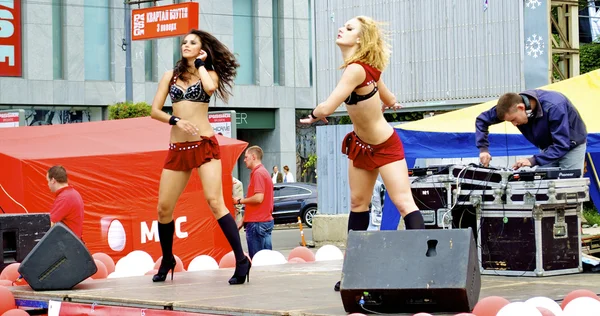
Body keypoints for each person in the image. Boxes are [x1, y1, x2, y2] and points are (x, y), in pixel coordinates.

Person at [299, 16, 425, 292]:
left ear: (360, 39)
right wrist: (390, 101)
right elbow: (381, 89)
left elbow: (328, 106)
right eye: (343, 25)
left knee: (404, 203)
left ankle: (423, 267)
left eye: (349, 27)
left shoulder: (355, 70)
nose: (341, 28)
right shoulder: (363, 68)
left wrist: (315, 113)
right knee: (358, 205)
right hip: (361, 146)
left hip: (385, 146)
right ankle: (353, 272)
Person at [149, 29, 250, 285]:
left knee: (215, 202)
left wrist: (202, 65)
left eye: (192, 43)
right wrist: (175, 120)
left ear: (202, 49)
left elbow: (210, 87)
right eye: (184, 42)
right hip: (178, 149)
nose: (186, 45)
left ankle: (241, 260)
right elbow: (154, 111)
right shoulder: (169, 76)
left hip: (204, 145)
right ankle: (168, 259)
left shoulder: (209, 73)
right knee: (163, 209)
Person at [476, 90, 587, 171]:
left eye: (514, 120)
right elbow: (481, 120)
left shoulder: (554, 106)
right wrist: (483, 149)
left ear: (521, 107)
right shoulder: (509, 107)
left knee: (568, 188)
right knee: (542, 186)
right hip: (548, 148)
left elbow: (562, 145)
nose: (514, 124)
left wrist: (532, 160)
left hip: (571, 146)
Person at [233, 146, 275, 259]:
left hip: (257, 223)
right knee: (266, 260)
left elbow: (258, 198)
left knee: (257, 260)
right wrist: (242, 221)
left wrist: (239, 200)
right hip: (263, 221)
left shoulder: (258, 174)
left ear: (253, 157)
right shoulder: (262, 172)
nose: (244, 160)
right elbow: (255, 203)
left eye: (246, 157)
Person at [46, 166, 84, 239]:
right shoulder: (74, 193)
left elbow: (50, 224)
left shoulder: (64, 198)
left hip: (68, 244)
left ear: (53, 180)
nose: (48, 184)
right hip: (74, 242)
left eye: (48, 181)